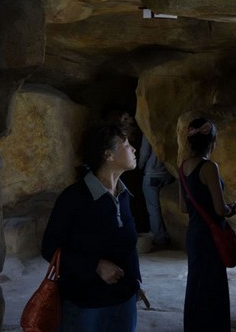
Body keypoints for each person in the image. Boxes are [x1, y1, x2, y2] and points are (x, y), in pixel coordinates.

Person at [41, 124, 147, 331]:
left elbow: (128, 245)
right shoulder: (74, 198)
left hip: (124, 301)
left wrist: (135, 283)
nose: (133, 149)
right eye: (126, 144)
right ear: (108, 154)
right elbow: (49, 248)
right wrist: (95, 266)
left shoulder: (123, 194)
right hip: (85, 305)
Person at [178, 117, 236, 332]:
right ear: (213, 141)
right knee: (213, 286)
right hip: (210, 235)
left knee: (196, 284)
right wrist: (229, 209)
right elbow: (219, 209)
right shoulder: (209, 167)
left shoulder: (183, 167)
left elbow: (184, 207)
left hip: (194, 233)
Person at [139, 133, 174, 249]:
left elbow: (144, 152)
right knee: (166, 206)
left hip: (152, 174)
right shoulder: (169, 127)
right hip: (167, 174)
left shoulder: (149, 129)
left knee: (153, 208)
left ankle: (159, 238)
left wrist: (139, 165)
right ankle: (170, 235)